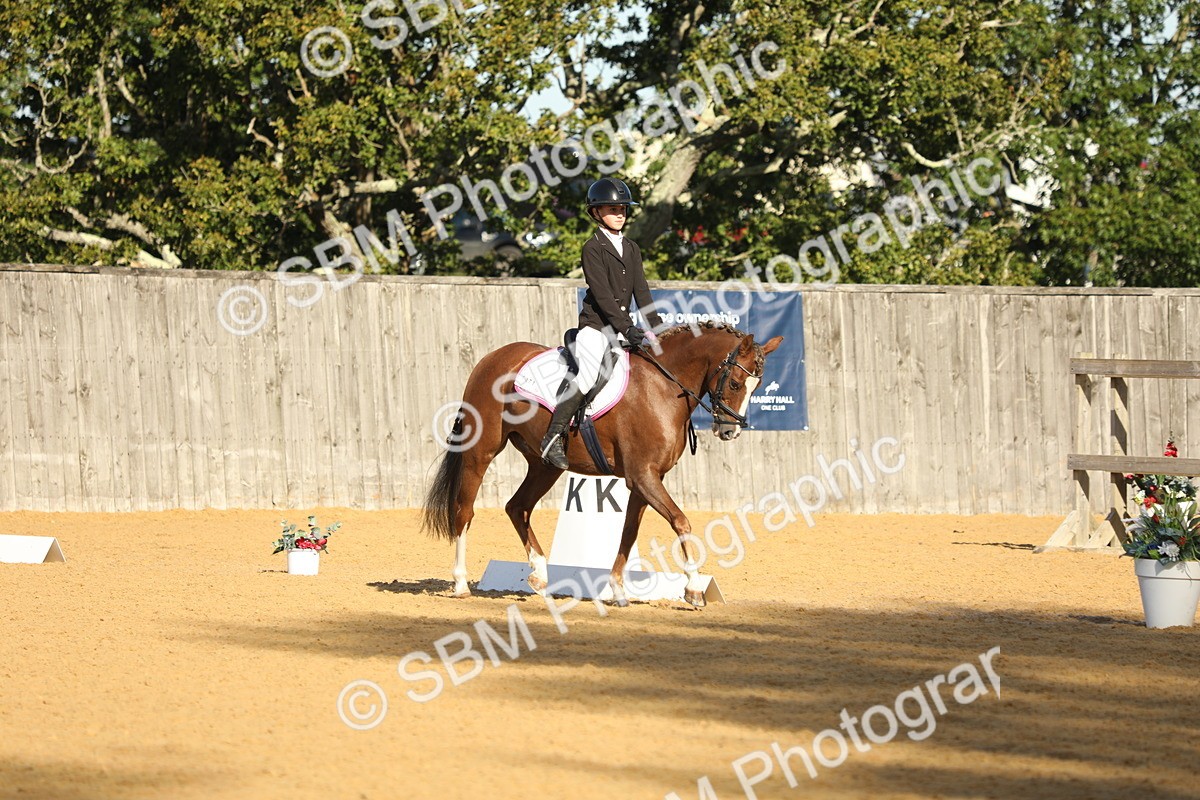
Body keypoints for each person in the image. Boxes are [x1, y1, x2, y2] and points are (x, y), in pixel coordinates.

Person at [540, 177, 664, 469]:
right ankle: (552, 436)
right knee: (585, 376)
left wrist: (658, 328)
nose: (620, 213)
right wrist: (629, 329)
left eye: (623, 208)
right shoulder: (592, 248)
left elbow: (642, 291)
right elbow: (604, 296)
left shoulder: (631, 248)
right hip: (595, 329)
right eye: (612, 208)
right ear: (596, 212)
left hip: (620, 331)